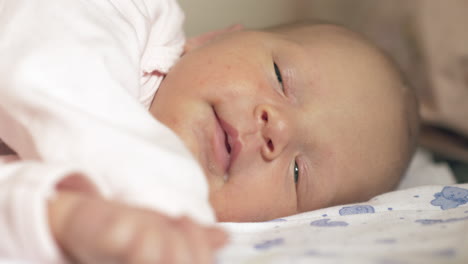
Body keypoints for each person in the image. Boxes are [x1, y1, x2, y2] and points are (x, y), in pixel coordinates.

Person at [0, 0, 419, 263]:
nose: (280, 128)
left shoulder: (137, 223)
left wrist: (59, 219)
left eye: (297, 174)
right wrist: (166, 202)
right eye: (279, 77)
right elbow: (39, 63)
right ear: (212, 39)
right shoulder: (131, 14)